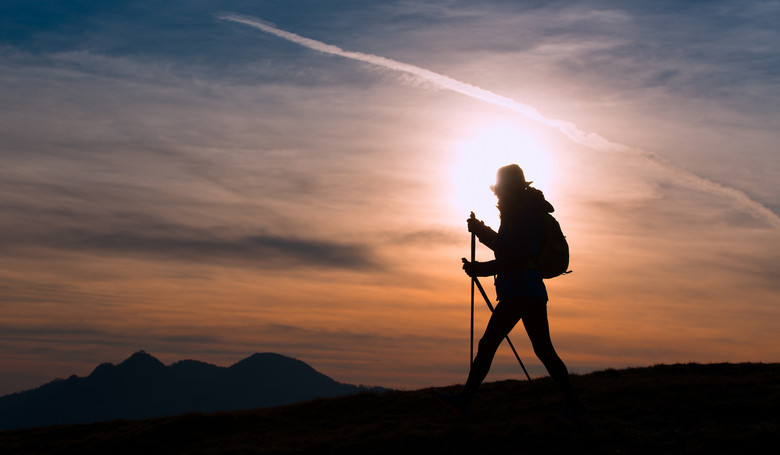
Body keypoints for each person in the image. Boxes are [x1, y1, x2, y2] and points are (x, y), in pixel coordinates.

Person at [436, 164, 585, 419]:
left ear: (509, 189)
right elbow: (509, 250)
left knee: (489, 344)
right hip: (530, 290)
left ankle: (464, 401)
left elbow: (514, 255)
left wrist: (481, 264)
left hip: (520, 290)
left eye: (500, 190)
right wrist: (482, 236)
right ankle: (574, 405)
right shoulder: (519, 213)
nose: (497, 195)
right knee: (543, 349)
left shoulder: (525, 216)